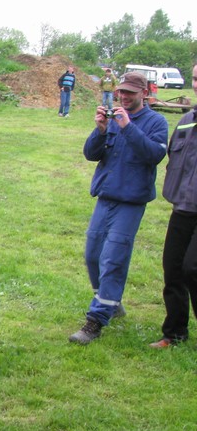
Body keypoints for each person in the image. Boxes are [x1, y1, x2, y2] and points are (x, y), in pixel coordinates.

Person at [69, 72, 168, 345]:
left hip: (131, 201)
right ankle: (111, 302)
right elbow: (91, 154)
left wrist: (128, 127)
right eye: (121, 92)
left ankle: (95, 321)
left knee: (113, 259)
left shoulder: (156, 122)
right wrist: (100, 129)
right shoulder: (113, 117)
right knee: (93, 256)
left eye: (130, 93)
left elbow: (155, 155)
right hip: (106, 198)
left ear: (144, 93)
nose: (123, 97)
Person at [149, 63, 197, 349]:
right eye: (194, 78)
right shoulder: (187, 120)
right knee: (174, 268)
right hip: (184, 206)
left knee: (194, 267)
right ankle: (174, 332)